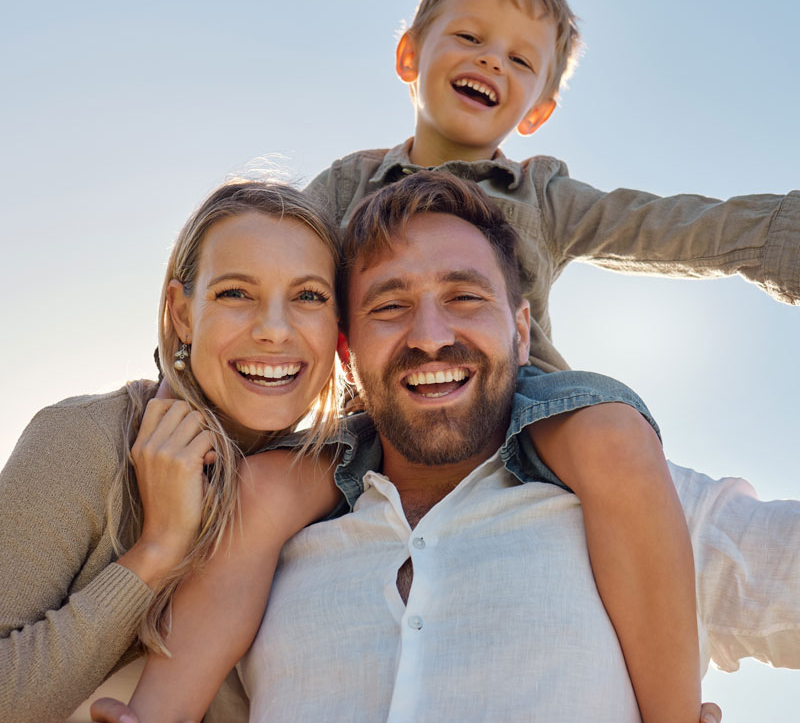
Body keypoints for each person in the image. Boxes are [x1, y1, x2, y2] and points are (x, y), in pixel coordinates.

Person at [92, 174, 794, 723]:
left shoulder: (640, 504)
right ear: (347, 350)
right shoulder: (267, 517)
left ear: (523, 333)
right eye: (389, 307)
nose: (429, 335)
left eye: (465, 297)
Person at [300, 0, 793, 721]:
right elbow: (263, 258)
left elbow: (671, 226)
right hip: (377, 416)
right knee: (256, 495)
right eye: (468, 36)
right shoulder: (345, 186)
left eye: (519, 59)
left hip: (528, 407)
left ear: (535, 108)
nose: (489, 60)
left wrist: (783, 242)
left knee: (613, 437)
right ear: (410, 55)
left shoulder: (542, 194)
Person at [0, 179, 345, 722]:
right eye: (235, 293)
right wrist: (157, 552)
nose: (275, 330)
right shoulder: (84, 440)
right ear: (182, 313)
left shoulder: (345, 480)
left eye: (309, 297)